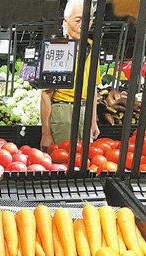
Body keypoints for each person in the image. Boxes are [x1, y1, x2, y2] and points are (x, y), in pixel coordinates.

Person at [40, 0, 101, 152]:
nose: (83, 24)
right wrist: (46, 133)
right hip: (63, 113)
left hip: (84, 111)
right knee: (62, 160)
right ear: (65, 21)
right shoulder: (57, 48)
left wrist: (93, 120)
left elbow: (93, 87)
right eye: (78, 20)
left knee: (84, 162)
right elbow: (46, 95)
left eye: (88, 20)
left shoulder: (92, 48)